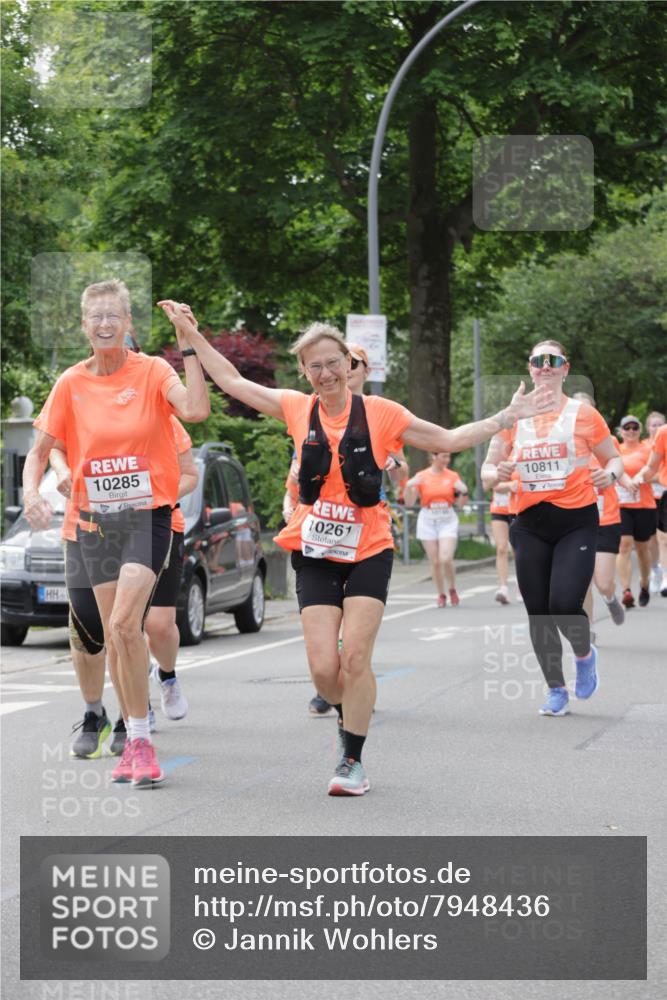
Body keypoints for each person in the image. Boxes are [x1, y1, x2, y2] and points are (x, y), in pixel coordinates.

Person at [159, 303, 553, 794]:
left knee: (356, 659)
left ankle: (352, 760)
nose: (325, 373)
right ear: (304, 372)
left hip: (369, 547)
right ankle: (349, 710)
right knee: (326, 672)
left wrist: (504, 417)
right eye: (314, 366)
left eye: (332, 362)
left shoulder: (382, 413)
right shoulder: (296, 408)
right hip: (315, 550)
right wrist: (189, 335)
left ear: (349, 364)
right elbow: (233, 381)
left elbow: (449, 437)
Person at [23, 279, 209, 787]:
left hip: (146, 515)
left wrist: (187, 341)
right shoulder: (70, 383)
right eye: (96, 317)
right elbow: (39, 453)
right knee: (114, 633)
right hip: (92, 522)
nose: (105, 324)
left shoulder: (152, 371)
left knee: (128, 623)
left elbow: (194, 409)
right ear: (84, 326)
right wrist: (33, 494)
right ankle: (132, 733)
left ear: (128, 324)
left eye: (114, 316)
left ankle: (142, 743)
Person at [483, 340, 623, 718]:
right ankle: (556, 689)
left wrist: (608, 476)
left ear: (565, 367)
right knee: (539, 612)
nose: (545, 367)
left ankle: (584, 653)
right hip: (529, 523)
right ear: (529, 368)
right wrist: (496, 473)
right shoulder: (513, 416)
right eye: (538, 361)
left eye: (553, 360)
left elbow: (613, 459)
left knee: (563, 605)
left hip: (576, 520)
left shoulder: (584, 414)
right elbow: (487, 469)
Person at [50, 414, 199, 758]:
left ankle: (130, 718)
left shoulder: (158, 416)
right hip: (83, 529)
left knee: (127, 625)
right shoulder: (81, 403)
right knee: (86, 628)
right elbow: (53, 449)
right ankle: (93, 713)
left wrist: (153, 494)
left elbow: (189, 473)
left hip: (143, 528)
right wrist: (62, 472)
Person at [572, 393, 626, 632]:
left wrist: (620, 478)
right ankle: (588, 629)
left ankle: (610, 597)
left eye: (586, 409)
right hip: (577, 518)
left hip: (607, 519)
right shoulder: (565, 442)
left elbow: (619, 466)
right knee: (582, 582)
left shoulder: (607, 440)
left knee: (603, 582)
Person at [403, 452, 468, 606]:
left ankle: (452, 588)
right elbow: (409, 503)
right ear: (433, 456)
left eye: (448, 457)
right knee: (436, 561)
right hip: (428, 519)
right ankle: (441, 594)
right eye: (443, 456)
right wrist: (408, 486)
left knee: (446, 558)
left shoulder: (452, 476)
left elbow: (461, 504)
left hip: (447, 519)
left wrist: (464, 492)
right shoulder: (422, 476)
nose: (447, 460)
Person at [616, 414, 657, 608]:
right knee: (624, 545)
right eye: (627, 427)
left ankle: (645, 583)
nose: (631, 431)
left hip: (644, 504)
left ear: (640, 430)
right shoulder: (616, 449)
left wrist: (643, 479)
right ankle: (626, 591)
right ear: (621, 431)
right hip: (621, 505)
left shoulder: (648, 449)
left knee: (642, 549)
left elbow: (658, 472)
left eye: (635, 427)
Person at [482, 430, 520, 604]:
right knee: (501, 548)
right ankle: (503, 587)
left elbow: (521, 484)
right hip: (499, 508)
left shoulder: (520, 456)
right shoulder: (494, 462)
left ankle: (523, 586)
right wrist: (507, 485)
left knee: (519, 550)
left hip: (517, 509)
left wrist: (511, 485)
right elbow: (489, 485)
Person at [632, 418, 667, 597]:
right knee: (661, 538)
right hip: (659, 495)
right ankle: (663, 574)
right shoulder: (664, 433)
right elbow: (652, 465)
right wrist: (639, 476)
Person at [644, 411, 666, 594]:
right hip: (647, 498)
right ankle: (656, 569)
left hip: (663, 496)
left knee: (663, 538)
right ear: (648, 427)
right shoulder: (643, 446)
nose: (657, 428)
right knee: (651, 540)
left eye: (660, 424)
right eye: (654, 425)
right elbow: (643, 470)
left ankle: (664, 574)